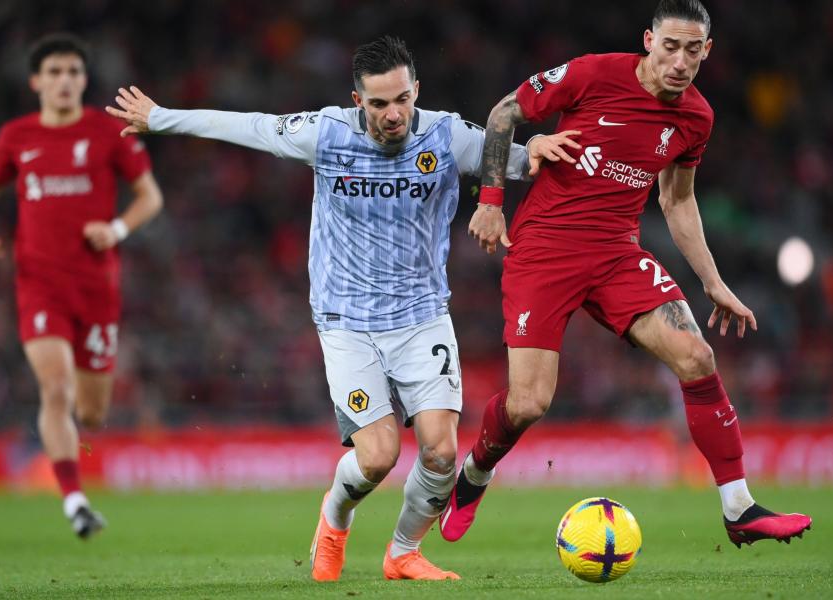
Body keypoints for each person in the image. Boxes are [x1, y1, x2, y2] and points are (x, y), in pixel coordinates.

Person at [105, 36, 577, 580]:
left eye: (402, 99)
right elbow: (251, 126)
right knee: (377, 457)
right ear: (358, 101)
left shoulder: (445, 135)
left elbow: (511, 160)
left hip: (422, 314)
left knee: (442, 454)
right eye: (378, 104)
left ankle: (403, 553)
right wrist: (161, 117)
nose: (393, 113)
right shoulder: (326, 133)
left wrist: (535, 152)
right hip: (347, 321)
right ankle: (334, 519)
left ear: (416, 90)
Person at [441, 0, 812, 549]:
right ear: (648, 41)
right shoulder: (593, 74)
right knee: (529, 404)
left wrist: (713, 282)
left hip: (616, 252)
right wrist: (491, 200)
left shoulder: (696, 118)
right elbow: (503, 114)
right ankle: (474, 475)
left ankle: (739, 508)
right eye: (670, 46)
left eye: (693, 50)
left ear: (706, 51)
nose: (680, 61)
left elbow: (678, 201)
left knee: (696, 355)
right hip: (545, 249)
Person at [0, 33, 163, 538]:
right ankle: (74, 501)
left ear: (84, 80)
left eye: (73, 72)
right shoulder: (16, 136)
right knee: (54, 387)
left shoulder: (106, 132)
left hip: (97, 288)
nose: (64, 81)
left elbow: (149, 197)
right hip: (39, 285)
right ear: (36, 81)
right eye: (54, 72)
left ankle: (71, 439)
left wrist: (116, 229)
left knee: (92, 414)